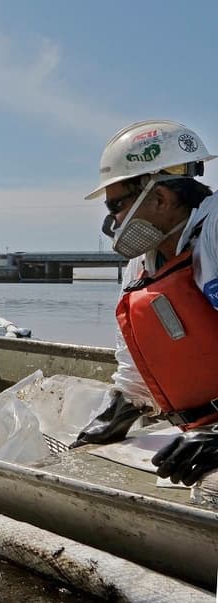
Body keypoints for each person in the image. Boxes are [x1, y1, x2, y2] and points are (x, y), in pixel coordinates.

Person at [70, 120, 218, 490]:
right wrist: (120, 410)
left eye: (116, 206)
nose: (112, 222)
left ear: (159, 199)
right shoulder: (142, 263)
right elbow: (137, 360)